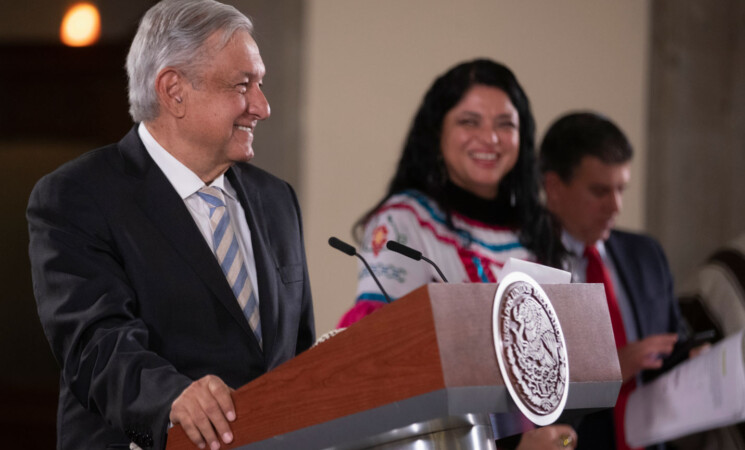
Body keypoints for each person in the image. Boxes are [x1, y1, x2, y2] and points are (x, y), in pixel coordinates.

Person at [26, 1, 315, 449]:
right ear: (174, 90)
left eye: (260, 84)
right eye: (243, 85)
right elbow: (95, 345)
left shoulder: (277, 201)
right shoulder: (77, 196)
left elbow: (294, 355)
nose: (262, 106)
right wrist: (174, 397)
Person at [338, 59, 575, 450]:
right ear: (437, 133)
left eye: (505, 124)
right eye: (470, 122)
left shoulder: (541, 231)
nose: (490, 138)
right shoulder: (406, 221)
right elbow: (383, 362)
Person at [539, 111, 684, 450]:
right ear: (554, 188)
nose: (616, 205)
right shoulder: (525, 268)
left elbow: (672, 342)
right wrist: (613, 368)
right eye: (600, 191)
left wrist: (695, 359)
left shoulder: (646, 254)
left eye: (621, 189)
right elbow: (524, 395)